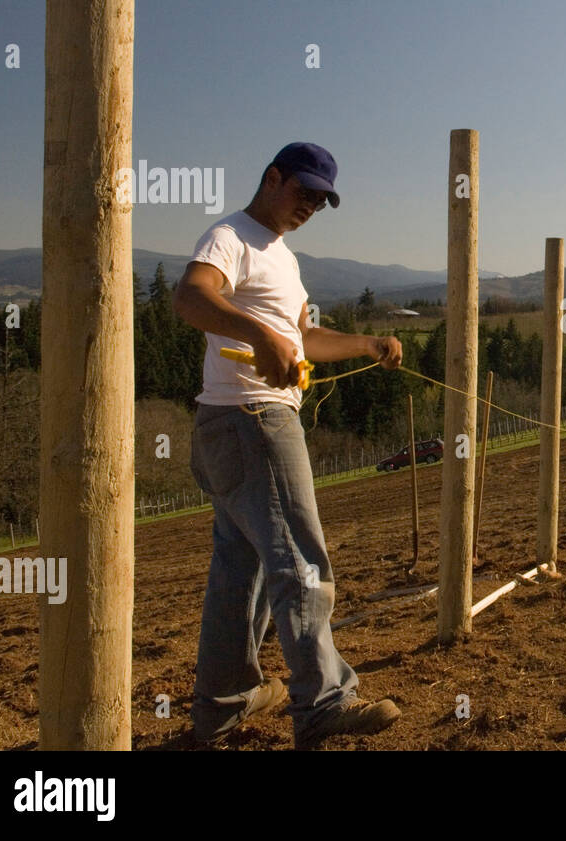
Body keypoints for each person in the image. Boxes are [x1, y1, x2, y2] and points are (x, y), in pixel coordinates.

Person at [174, 142, 403, 750]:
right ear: (272, 178)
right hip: (253, 419)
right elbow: (191, 297)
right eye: (303, 193)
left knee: (239, 570)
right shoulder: (232, 235)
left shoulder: (281, 255)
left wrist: (365, 345)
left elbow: (302, 337)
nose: (310, 207)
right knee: (300, 556)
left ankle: (222, 707)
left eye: (321, 202)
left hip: (232, 426)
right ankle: (324, 702)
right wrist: (257, 334)